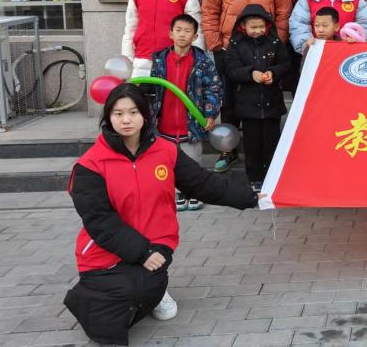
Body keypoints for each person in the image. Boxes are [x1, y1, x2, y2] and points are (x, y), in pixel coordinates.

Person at [64, 84, 258, 346]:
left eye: (133, 112)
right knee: (107, 323)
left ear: (145, 115)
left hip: (156, 244)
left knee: (142, 288)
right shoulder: (91, 164)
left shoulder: (165, 151)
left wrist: (251, 198)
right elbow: (99, 221)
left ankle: (153, 291)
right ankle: (101, 295)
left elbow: (203, 184)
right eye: (118, 114)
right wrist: (141, 252)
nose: (126, 120)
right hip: (106, 252)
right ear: (108, 117)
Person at [201, 0, 291, 172]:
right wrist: (215, 44)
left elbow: (283, 12)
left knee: (266, 98)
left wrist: (277, 43)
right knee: (229, 102)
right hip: (229, 48)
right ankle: (227, 150)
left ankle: (271, 156)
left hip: (266, 47)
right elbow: (209, 11)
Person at [149, 14, 223, 212]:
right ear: (170, 33)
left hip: (190, 124)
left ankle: (194, 193)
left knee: (193, 162)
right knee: (169, 161)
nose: (182, 34)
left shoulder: (203, 61)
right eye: (178, 30)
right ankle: (177, 193)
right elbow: (153, 90)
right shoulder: (160, 60)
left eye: (188, 31)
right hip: (165, 124)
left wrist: (210, 114)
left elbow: (213, 89)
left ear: (195, 36)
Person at [224, 4, 290, 192]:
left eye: (261, 26)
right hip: (247, 105)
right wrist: (250, 73)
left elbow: (286, 65)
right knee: (252, 146)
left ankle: (273, 178)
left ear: (267, 25)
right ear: (243, 26)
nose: (257, 30)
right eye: (253, 27)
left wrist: (273, 73)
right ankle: (254, 179)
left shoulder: (275, 42)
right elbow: (231, 70)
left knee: (272, 144)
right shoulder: (235, 45)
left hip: (272, 104)